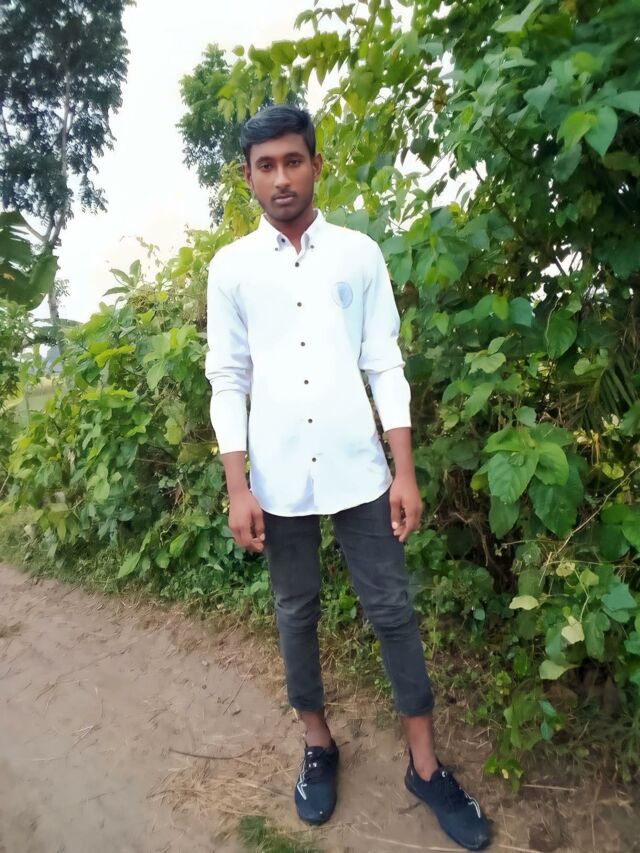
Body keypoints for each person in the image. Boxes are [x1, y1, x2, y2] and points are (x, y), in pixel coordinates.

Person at [204, 104, 490, 851]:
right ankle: (318, 743)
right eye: (265, 166)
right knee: (295, 610)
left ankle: (424, 765)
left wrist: (404, 470)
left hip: (361, 473)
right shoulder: (231, 269)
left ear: (315, 166)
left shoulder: (359, 255)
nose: (281, 178)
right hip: (277, 479)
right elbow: (228, 377)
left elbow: (384, 363)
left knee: (392, 610)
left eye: (293, 161)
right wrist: (238, 485)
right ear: (248, 178)